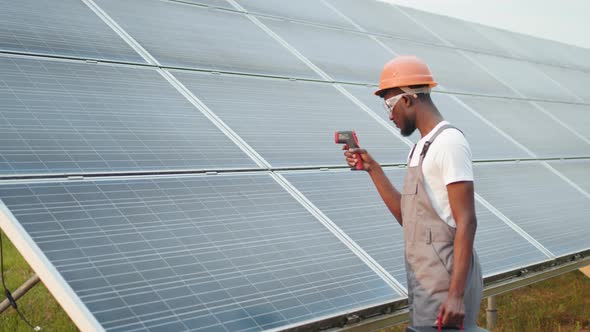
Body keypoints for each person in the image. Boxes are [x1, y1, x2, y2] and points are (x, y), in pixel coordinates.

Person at [343, 55, 483, 328]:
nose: (390, 116)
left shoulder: (449, 143)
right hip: (425, 285)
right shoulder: (420, 148)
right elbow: (409, 220)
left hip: (446, 290)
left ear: (409, 100)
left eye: (390, 105)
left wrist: (455, 296)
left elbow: (467, 221)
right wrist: (373, 169)